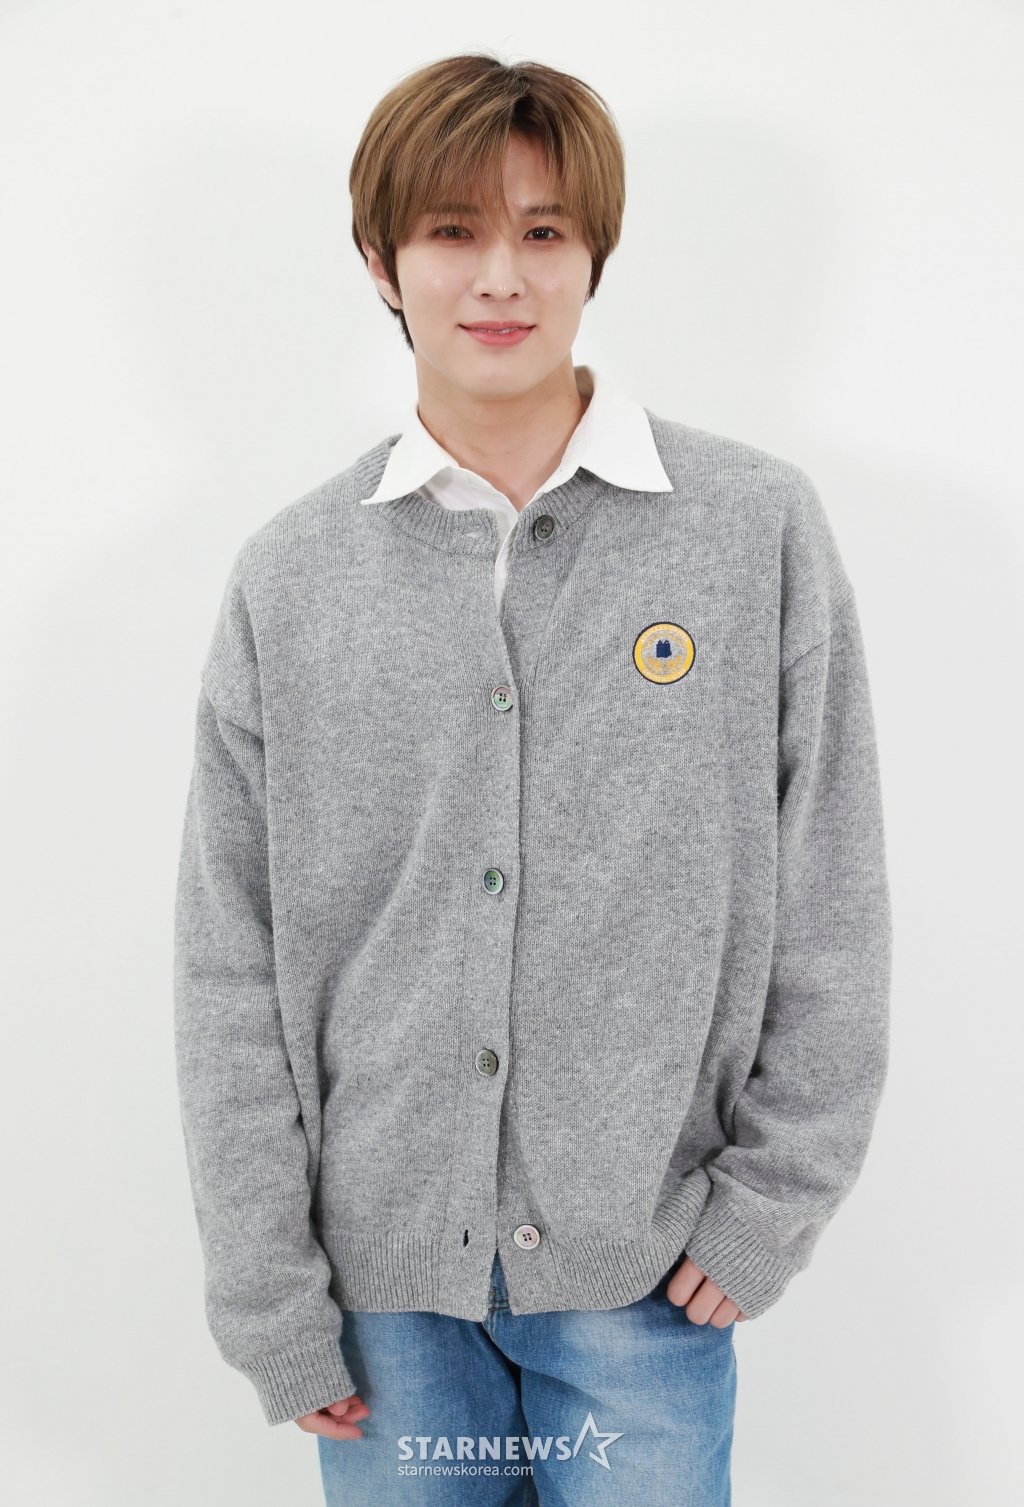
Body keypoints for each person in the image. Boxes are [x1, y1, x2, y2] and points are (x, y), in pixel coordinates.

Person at [173, 53, 890, 1507]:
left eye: (544, 231)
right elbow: (227, 960)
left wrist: (771, 1204)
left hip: (646, 1279)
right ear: (380, 260)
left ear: (594, 255)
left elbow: (832, 888)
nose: (500, 277)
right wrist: (267, 1289)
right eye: (453, 231)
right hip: (381, 1310)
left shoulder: (749, 530)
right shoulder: (291, 577)